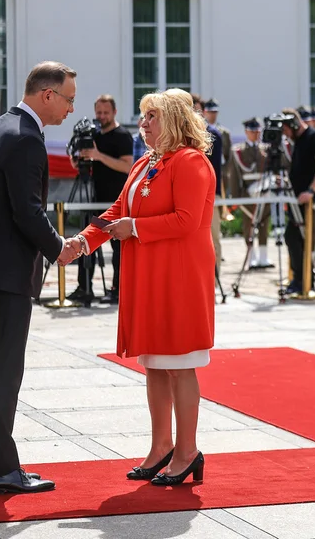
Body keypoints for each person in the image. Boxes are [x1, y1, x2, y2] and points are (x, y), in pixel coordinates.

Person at [79, 88, 216, 486]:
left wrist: (134, 229)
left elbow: (186, 220)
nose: (143, 123)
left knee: (181, 365)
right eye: (142, 116)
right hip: (150, 274)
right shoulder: (146, 162)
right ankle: (162, 447)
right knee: (155, 365)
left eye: (151, 116)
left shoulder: (191, 161)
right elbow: (116, 212)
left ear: (173, 120)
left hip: (180, 276)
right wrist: (85, 241)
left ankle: (187, 452)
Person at [0, 61, 81, 494]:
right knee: (2, 371)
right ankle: (2, 470)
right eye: (67, 99)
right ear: (47, 95)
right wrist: (58, 247)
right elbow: (26, 211)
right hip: (4, 271)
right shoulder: (26, 139)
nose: (70, 109)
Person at [70, 95, 134, 303]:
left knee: (117, 247)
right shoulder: (93, 134)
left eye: (106, 113)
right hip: (93, 200)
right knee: (88, 240)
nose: (102, 117)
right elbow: (83, 165)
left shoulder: (122, 135)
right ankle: (84, 286)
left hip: (115, 203)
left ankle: (118, 289)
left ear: (114, 112)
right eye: (99, 113)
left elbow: (127, 166)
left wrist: (99, 156)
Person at [283, 108, 315, 295]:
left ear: (294, 125)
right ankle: (300, 279)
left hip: (308, 200)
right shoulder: (298, 141)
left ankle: (304, 281)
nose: (285, 135)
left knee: (299, 239)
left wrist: (311, 190)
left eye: (286, 130)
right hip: (296, 200)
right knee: (294, 238)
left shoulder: (314, 137)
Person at [233, 118, 273, 269]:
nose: (255, 134)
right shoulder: (239, 150)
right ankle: (251, 257)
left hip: (264, 190)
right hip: (247, 193)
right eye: (252, 131)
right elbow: (235, 175)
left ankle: (263, 256)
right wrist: (236, 196)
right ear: (246, 132)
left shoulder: (265, 149)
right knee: (248, 225)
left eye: (257, 131)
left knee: (264, 223)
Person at [193, 95, 224, 282]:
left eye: (196, 110)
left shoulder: (212, 134)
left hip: (209, 194)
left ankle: (214, 279)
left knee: (212, 238)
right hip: (189, 195)